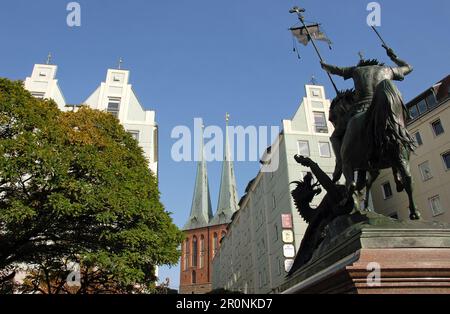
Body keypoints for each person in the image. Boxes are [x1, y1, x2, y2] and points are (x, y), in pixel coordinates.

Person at [321, 45, 413, 182]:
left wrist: (324, 65)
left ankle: (340, 164)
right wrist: (393, 57)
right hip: (386, 108)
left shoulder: (356, 70)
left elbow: (337, 70)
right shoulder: (388, 70)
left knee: (335, 136)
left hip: (361, 109)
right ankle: (398, 172)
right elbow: (409, 67)